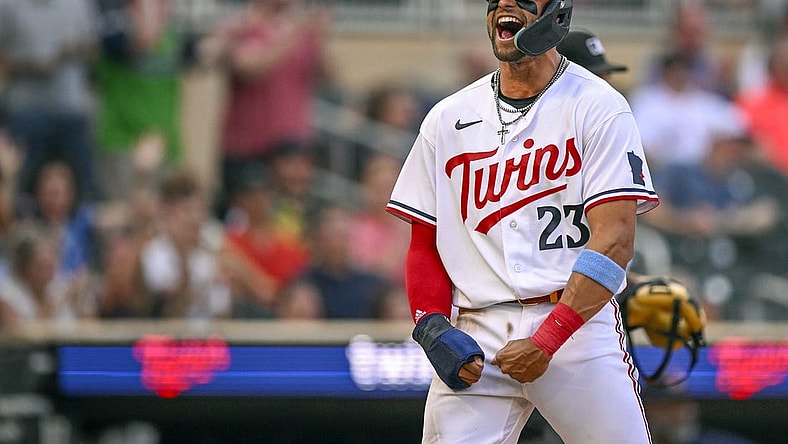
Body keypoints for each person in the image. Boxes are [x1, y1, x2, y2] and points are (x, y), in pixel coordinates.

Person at [385, 1, 659, 443]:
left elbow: (615, 241)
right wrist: (432, 325)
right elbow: (424, 242)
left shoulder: (599, 106)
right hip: (478, 330)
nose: (506, 5)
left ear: (556, 12)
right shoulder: (447, 117)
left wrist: (549, 338)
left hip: (575, 329)